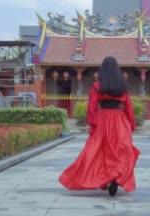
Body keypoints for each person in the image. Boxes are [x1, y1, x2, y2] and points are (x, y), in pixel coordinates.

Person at [59, 56, 140, 197]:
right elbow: (129, 107)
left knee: (100, 152)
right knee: (120, 151)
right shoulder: (123, 86)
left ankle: (107, 178)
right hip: (120, 120)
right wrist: (131, 124)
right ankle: (115, 177)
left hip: (103, 119)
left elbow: (91, 107)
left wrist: (92, 124)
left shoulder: (97, 86)